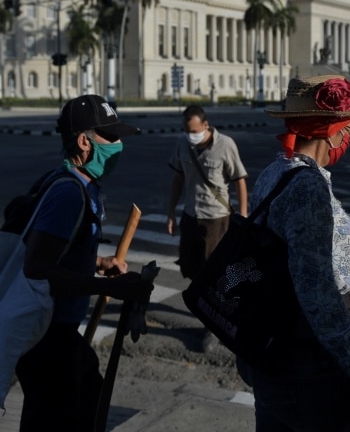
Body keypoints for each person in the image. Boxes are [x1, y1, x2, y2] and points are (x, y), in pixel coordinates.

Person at [237, 75, 350, 431]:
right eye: (349, 131)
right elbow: (318, 294)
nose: (349, 139)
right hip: (304, 365)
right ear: (333, 130)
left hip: (273, 352)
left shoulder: (278, 170)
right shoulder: (308, 187)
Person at [17, 94, 155, 432]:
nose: (118, 145)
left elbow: (59, 253)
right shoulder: (68, 193)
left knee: (81, 398)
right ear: (83, 141)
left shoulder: (80, 184)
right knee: (63, 416)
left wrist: (98, 262)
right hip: (46, 338)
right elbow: (36, 268)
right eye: (111, 137)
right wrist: (108, 287)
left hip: (56, 333)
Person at [166, 105, 249, 350]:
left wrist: (243, 215)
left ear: (205, 125)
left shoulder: (226, 145)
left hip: (216, 219)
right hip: (191, 215)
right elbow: (177, 179)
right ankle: (206, 307)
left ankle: (211, 326)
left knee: (213, 273)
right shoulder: (183, 144)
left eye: (193, 130)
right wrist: (171, 212)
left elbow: (240, 181)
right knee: (191, 267)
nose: (190, 134)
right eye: (185, 130)